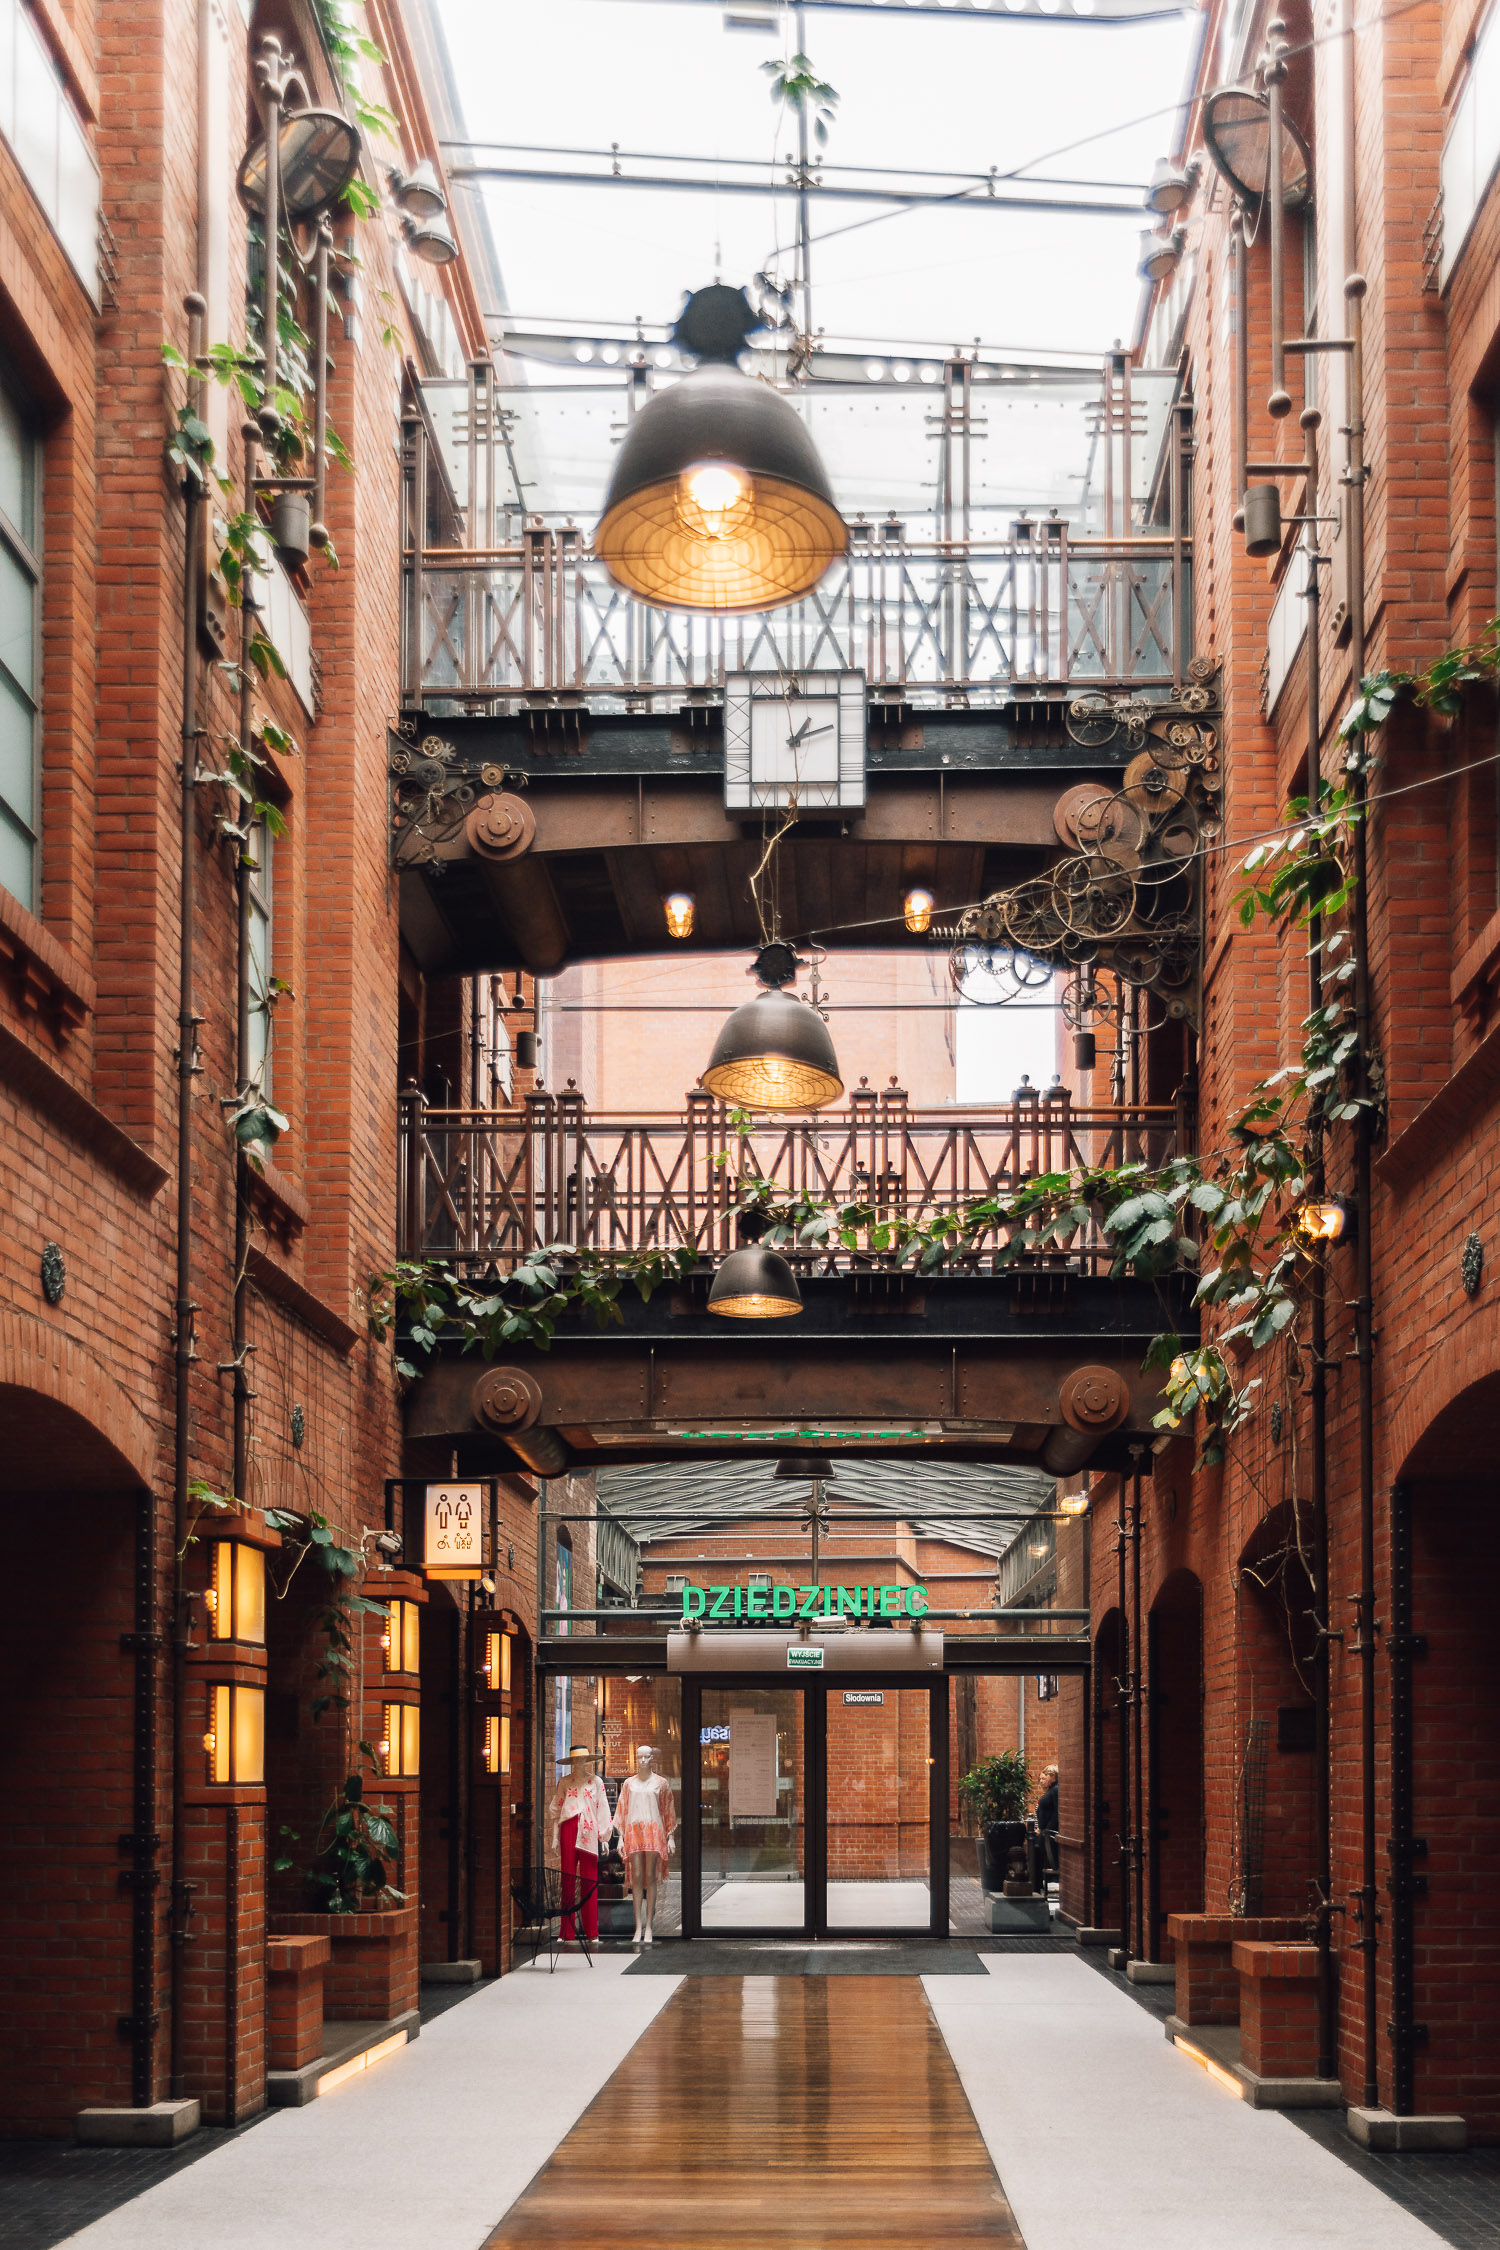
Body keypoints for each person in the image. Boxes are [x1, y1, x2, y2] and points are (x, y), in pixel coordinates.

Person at [548, 1744, 611, 1946]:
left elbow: (602, 1808)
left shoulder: (596, 1782)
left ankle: (592, 1931)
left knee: (589, 1880)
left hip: (589, 1830)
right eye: (576, 1759)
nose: (579, 1762)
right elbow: (556, 1811)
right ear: (572, 1761)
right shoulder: (564, 1782)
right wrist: (555, 1837)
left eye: (582, 1759)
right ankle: (566, 1931)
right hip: (568, 1827)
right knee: (567, 1879)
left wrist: (604, 1837)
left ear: (587, 1760)